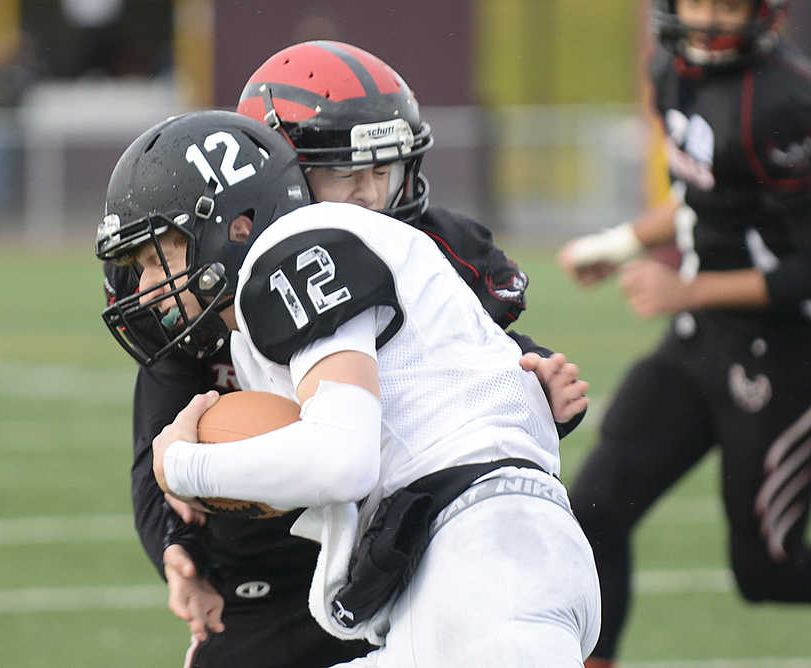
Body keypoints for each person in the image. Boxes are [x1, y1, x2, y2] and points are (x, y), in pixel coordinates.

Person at [102, 42, 589, 667]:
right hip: (412, 550)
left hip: (457, 550)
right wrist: (178, 542)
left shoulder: (315, 251)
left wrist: (187, 467)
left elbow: (344, 455)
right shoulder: (246, 275)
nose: (366, 194)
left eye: (383, 169)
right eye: (343, 170)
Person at [557, 1, 811, 665]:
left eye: (729, 3)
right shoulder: (671, 69)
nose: (710, 18)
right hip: (701, 339)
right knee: (594, 509)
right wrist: (617, 243)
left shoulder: (787, 101)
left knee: (767, 575)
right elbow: (703, 198)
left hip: (784, 357)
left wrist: (686, 288)